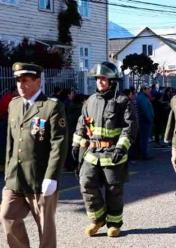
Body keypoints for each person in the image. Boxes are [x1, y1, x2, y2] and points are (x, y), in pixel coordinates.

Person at [0, 62, 68, 248]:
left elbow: (58, 144)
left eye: (25, 80)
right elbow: (10, 141)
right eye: (18, 81)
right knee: (7, 215)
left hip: (40, 178)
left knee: (45, 227)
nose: (20, 85)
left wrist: (51, 177)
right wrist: (8, 169)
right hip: (16, 177)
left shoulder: (50, 107)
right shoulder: (14, 105)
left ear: (38, 81)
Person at [71, 62, 137, 237]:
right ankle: (97, 218)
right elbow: (82, 125)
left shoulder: (123, 101)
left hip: (113, 154)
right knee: (86, 183)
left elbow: (129, 127)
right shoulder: (90, 101)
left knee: (113, 190)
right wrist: (76, 145)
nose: (100, 81)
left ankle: (114, 223)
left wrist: (121, 148)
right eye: (98, 78)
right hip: (92, 153)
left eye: (104, 78)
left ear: (112, 80)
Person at [136, 83, 154, 160]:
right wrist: (150, 119)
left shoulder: (142, 97)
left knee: (144, 138)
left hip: (144, 120)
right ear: (143, 89)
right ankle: (144, 154)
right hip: (144, 121)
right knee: (144, 138)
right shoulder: (142, 98)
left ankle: (142, 153)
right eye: (147, 89)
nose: (149, 90)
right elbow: (145, 110)